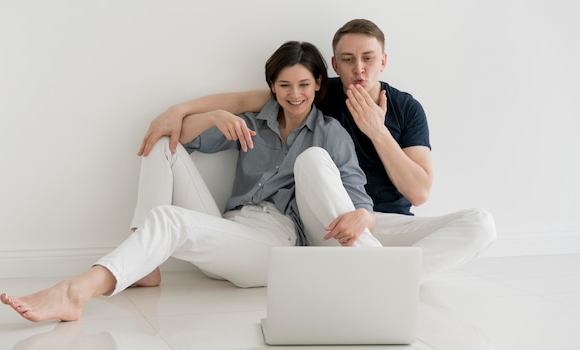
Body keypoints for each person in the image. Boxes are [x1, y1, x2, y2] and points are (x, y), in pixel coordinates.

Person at [0, 41, 382, 322]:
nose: (294, 94)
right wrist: (215, 116)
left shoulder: (330, 134)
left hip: (272, 244)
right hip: (228, 230)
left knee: (170, 219)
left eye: (303, 84)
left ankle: (77, 290)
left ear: (318, 84)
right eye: (284, 85)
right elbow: (177, 138)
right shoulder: (252, 123)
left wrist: (364, 219)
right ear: (272, 87)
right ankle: (145, 266)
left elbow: (355, 195)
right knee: (158, 142)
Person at [137, 19, 497, 281]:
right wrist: (179, 110)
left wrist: (377, 130)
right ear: (334, 64)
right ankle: (379, 277)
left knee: (480, 223)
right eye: (348, 59)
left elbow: (419, 192)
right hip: (328, 222)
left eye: (368, 58)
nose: (359, 68)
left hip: (381, 223)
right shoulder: (317, 93)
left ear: (383, 61)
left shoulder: (406, 108)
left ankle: (390, 277)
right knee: (313, 160)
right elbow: (243, 99)